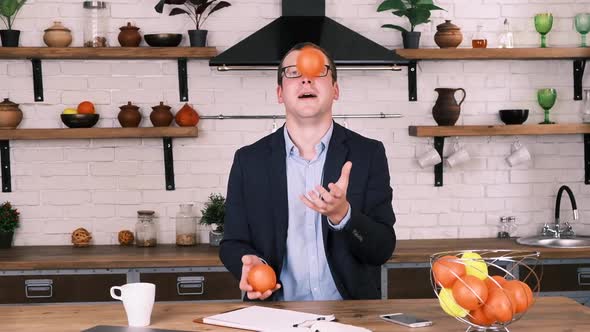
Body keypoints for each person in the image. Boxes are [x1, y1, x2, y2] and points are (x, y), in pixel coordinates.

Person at [219, 42, 396, 301]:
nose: (306, 80)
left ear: (335, 90)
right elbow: (232, 243)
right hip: (274, 315)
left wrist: (343, 215)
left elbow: (382, 249)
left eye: (318, 73)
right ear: (280, 93)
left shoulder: (368, 154)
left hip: (350, 316)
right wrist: (251, 263)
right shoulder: (249, 160)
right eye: (293, 73)